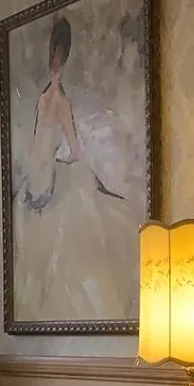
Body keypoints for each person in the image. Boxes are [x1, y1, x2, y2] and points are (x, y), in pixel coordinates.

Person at [13, 16, 139, 323]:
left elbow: (35, 145)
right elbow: (76, 151)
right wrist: (68, 157)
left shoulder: (42, 99)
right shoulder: (61, 102)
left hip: (37, 173)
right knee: (83, 200)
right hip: (49, 172)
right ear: (64, 60)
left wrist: (48, 159)